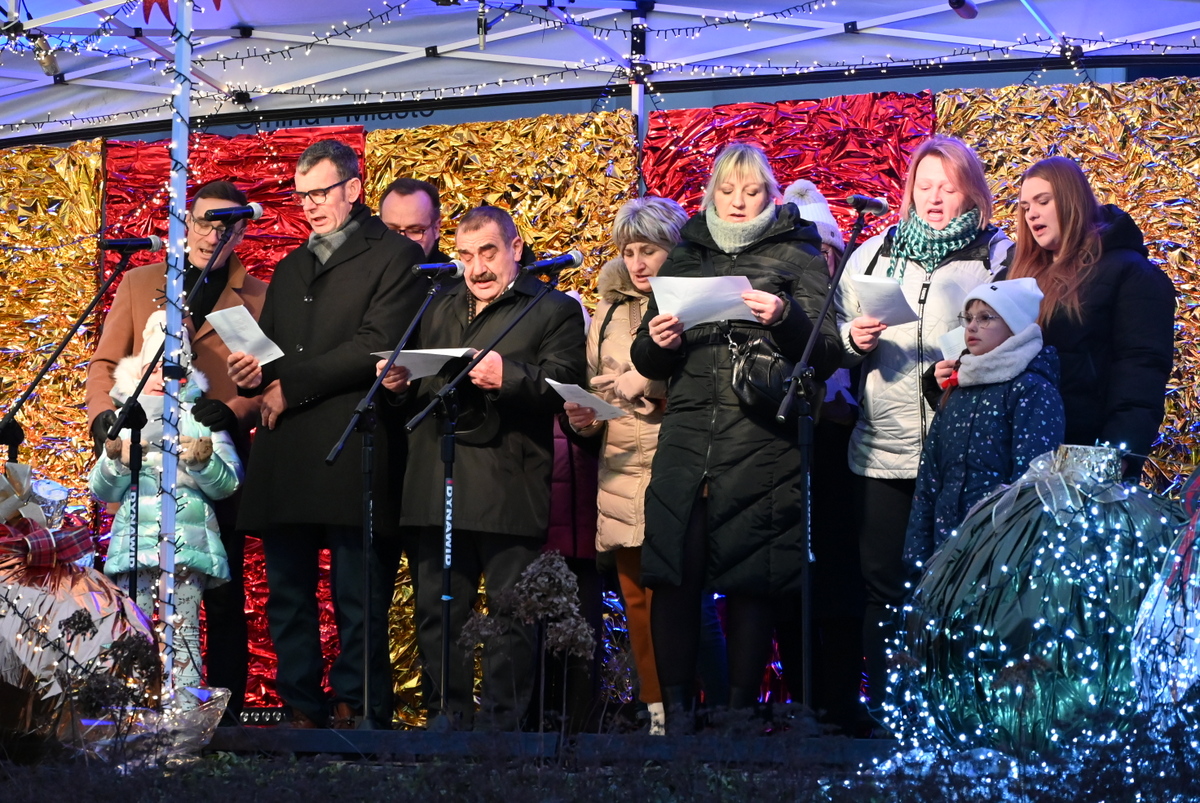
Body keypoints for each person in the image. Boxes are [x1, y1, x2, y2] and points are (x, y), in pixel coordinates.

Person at [629, 142, 842, 728]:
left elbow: (826, 351)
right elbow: (646, 355)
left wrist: (785, 318)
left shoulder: (799, 252)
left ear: (770, 194)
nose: (739, 201)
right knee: (673, 572)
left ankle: (739, 716)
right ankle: (677, 715)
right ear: (711, 194)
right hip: (687, 436)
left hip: (760, 439)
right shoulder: (687, 252)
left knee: (753, 578)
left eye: (751, 191)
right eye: (727, 191)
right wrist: (658, 342)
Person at [227, 139, 425, 729]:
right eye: (303, 195)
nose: (311, 205)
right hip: (286, 444)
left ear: (353, 188)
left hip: (352, 441)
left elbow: (375, 343)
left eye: (321, 192)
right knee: (288, 592)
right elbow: (278, 353)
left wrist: (290, 386)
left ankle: (356, 704)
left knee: (356, 593)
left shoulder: (395, 255)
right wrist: (255, 372)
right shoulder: (292, 266)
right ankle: (301, 706)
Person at [378, 205, 586, 731]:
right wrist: (397, 387)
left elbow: (565, 384)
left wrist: (508, 375)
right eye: (466, 255)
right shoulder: (437, 304)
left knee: (511, 616)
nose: (477, 268)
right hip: (436, 480)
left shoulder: (552, 308)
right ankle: (447, 719)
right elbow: (420, 390)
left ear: (515, 248)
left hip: (509, 484)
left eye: (488, 252)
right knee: (437, 611)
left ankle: (501, 731)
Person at [833, 134, 1012, 720]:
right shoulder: (873, 253)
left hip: (961, 454)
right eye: (924, 186)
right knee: (884, 591)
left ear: (972, 194)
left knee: (959, 589)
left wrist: (967, 358)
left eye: (948, 188)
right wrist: (852, 339)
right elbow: (835, 331)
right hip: (881, 451)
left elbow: (1017, 338)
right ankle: (892, 716)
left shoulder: (996, 256)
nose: (934, 199)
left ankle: (954, 718)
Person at [85, 179, 266, 721]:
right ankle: (136, 711)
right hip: (143, 462)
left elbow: (265, 382)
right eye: (206, 221)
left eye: (228, 226)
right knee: (137, 593)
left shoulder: (257, 297)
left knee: (223, 593)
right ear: (187, 221)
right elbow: (104, 363)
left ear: (242, 232)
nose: (215, 234)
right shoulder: (142, 282)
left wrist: (233, 411)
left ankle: (224, 719)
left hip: (215, 461)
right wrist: (104, 418)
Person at [563, 195, 688, 736]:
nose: (637, 263)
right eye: (629, 251)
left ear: (673, 249)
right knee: (636, 599)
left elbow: (705, 386)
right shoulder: (609, 311)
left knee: (682, 601)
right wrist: (583, 419)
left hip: (675, 464)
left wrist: (651, 388)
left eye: (649, 251)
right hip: (619, 468)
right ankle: (655, 713)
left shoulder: (691, 304)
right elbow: (596, 387)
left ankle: (699, 713)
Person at [90, 311, 242, 700]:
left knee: (184, 630)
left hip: (188, 546)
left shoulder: (201, 418)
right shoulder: (124, 420)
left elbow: (229, 484)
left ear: (185, 373)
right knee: (137, 630)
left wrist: (203, 462)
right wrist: (116, 461)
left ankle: (187, 709)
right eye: (153, 368)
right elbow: (102, 490)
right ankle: (137, 710)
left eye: (170, 369)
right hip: (135, 544)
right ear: (140, 370)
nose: (161, 377)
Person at [1002, 156, 1175, 477]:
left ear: (1072, 200)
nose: (1032, 214)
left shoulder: (1130, 273)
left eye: (1043, 201)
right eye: (1025, 207)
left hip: (1084, 459)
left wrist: (1115, 456)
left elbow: (1142, 369)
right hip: (1011, 458)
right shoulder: (1015, 273)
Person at [903, 278, 1065, 567]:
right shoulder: (957, 389)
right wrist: (917, 556)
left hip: (999, 555)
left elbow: (1032, 484)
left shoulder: (1031, 390)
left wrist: (1008, 556)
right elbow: (929, 478)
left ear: (1014, 326)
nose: (971, 327)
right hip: (945, 550)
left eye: (985, 318)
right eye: (968, 318)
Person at [379, 177, 447, 261]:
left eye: (415, 231)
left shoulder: (452, 269)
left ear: (436, 228)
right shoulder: (365, 266)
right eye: (391, 231)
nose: (401, 242)